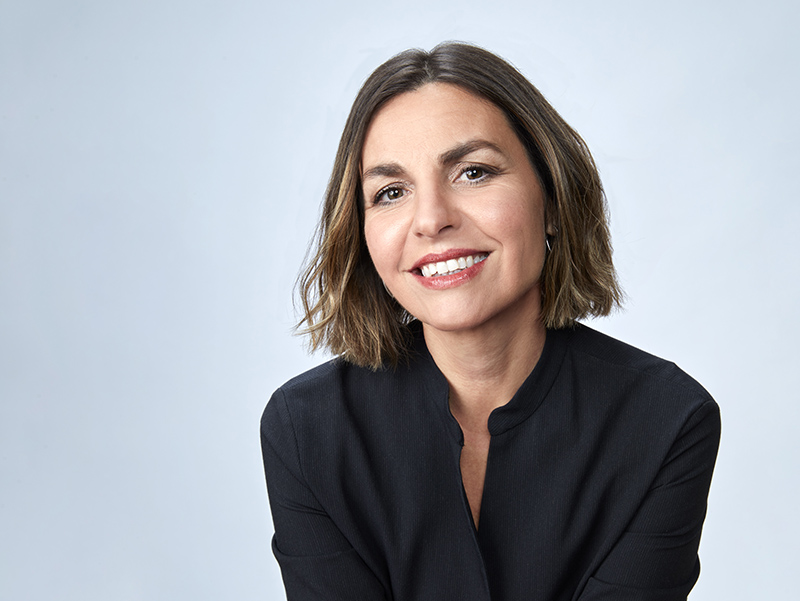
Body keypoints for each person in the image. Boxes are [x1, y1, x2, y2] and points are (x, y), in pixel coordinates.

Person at [260, 42, 720, 601]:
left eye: (473, 172)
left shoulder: (666, 419)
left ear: (552, 198)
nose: (431, 219)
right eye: (391, 192)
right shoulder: (307, 429)